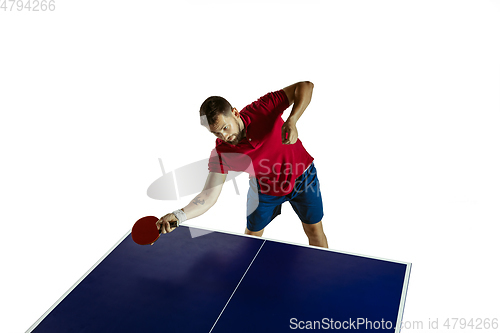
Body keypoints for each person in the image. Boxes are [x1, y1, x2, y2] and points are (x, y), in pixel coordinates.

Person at [157, 81, 328, 248]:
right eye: (216, 133)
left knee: (314, 231)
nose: (224, 136)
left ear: (235, 113)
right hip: (264, 188)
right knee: (251, 238)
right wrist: (178, 215)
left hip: (302, 178)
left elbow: (305, 86)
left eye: (225, 128)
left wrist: (292, 120)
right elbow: (208, 197)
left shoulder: (262, 109)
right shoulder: (222, 153)